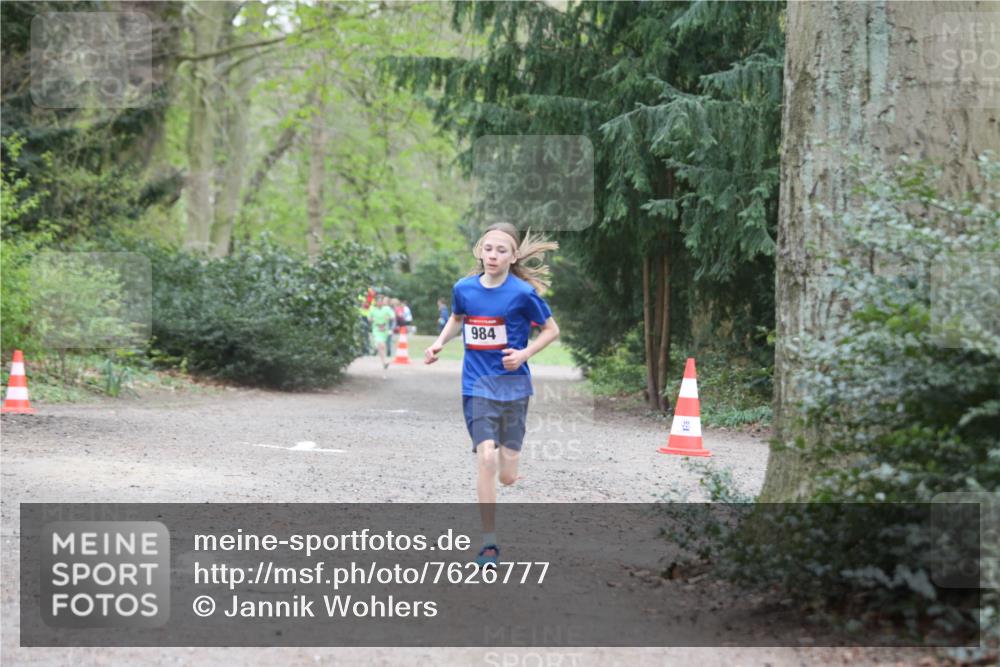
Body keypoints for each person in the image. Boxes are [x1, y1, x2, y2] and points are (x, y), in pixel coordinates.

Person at [423, 222, 560, 567]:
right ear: (479, 252)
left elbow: (551, 330)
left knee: (507, 474)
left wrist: (524, 354)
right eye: (488, 248)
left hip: (513, 387)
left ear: (513, 256)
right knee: (486, 457)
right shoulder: (464, 288)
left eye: (501, 250)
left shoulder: (522, 294)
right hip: (476, 385)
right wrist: (439, 342)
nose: (493, 255)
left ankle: (510, 469)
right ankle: (488, 543)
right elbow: (457, 318)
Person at [369, 295, 396, 371]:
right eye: (378, 301)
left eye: (381, 301)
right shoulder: (372, 309)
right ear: (376, 302)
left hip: (384, 330)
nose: (380, 303)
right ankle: (384, 362)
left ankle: (382, 359)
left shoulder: (386, 309)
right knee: (381, 344)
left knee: (382, 347)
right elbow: (369, 318)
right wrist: (371, 319)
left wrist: (388, 317)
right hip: (376, 329)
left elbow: (393, 317)